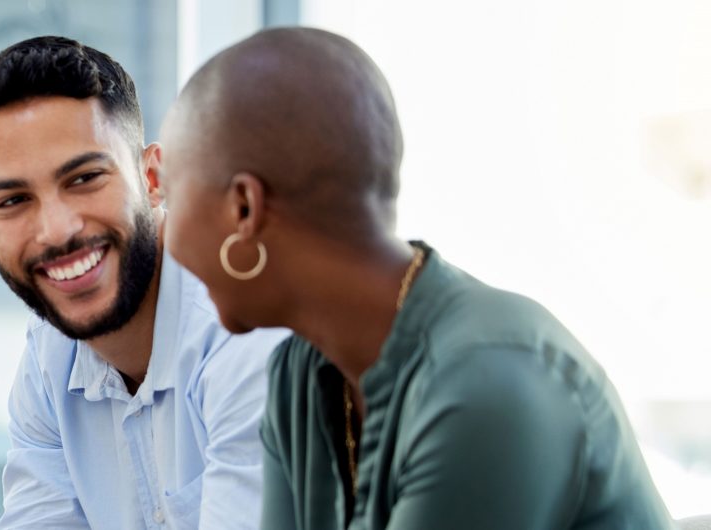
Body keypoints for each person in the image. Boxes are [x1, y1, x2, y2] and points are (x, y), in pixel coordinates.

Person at [157, 27, 673, 529]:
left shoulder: (489, 378)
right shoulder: (300, 375)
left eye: (172, 194)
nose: (163, 220)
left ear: (244, 207)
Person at [0, 36, 289, 530]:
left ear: (153, 178)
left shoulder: (246, 326)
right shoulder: (50, 355)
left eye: (84, 178)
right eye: (12, 201)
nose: (57, 231)